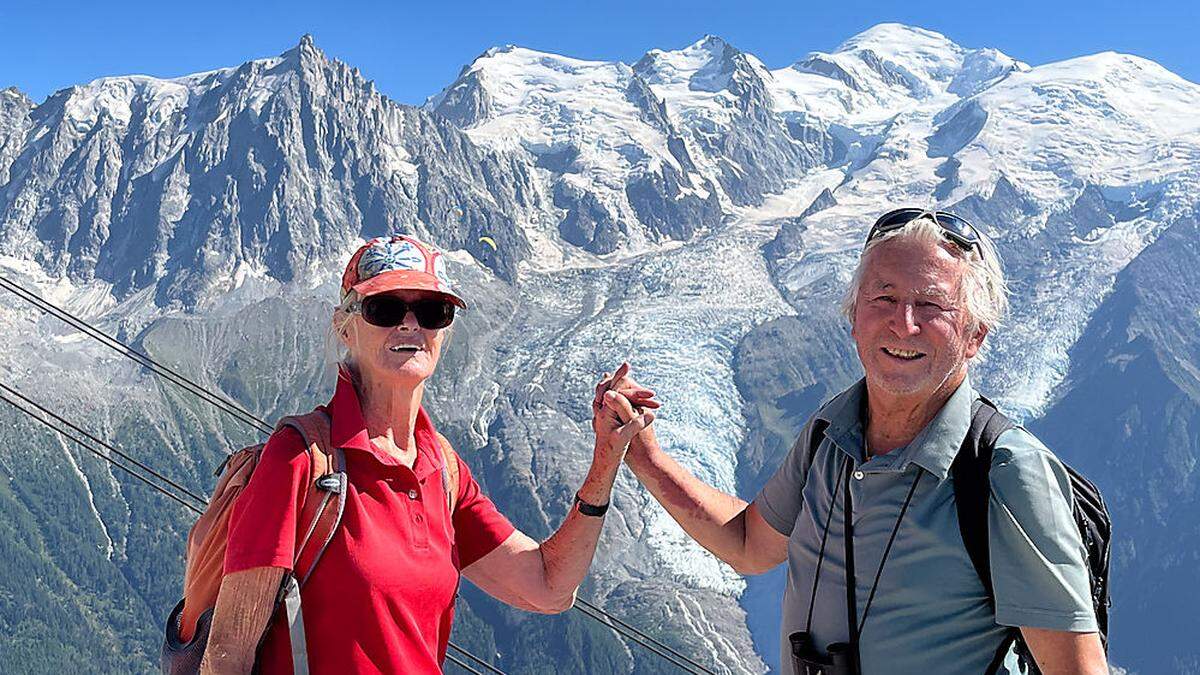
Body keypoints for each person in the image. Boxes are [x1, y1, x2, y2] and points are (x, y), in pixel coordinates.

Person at [596, 210, 1108, 674]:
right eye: (884, 297)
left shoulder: (1003, 472)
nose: (903, 323)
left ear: (975, 335)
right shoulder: (829, 434)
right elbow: (750, 545)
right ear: (854, 316)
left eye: (931, 305)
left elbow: (1077, 669)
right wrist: (645, 456)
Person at [200, 235, 658, 674]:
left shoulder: (441, 468)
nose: (410, 325)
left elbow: (548, 587)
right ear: (345, 327)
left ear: (445, 332)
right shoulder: (301, 457)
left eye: (432, 311)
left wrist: (606, 459)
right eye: (385, 309)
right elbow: (227, 655)